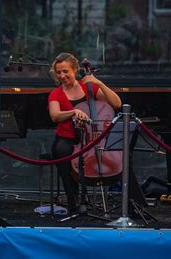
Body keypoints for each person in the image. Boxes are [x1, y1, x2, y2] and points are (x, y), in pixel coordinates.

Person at [47, 53, 122, 213]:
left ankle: (134, 203)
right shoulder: (56, 94)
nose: (62, 75)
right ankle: (74, 203)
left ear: (75, 69)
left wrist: (98, 82)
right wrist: (73, 112)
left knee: (121, 152)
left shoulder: (89, 87)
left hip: (91, 137)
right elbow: (55, 115)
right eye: (59, 72)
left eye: (66, 71)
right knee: (61, 151)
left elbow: (116, 103)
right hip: (68, 138)